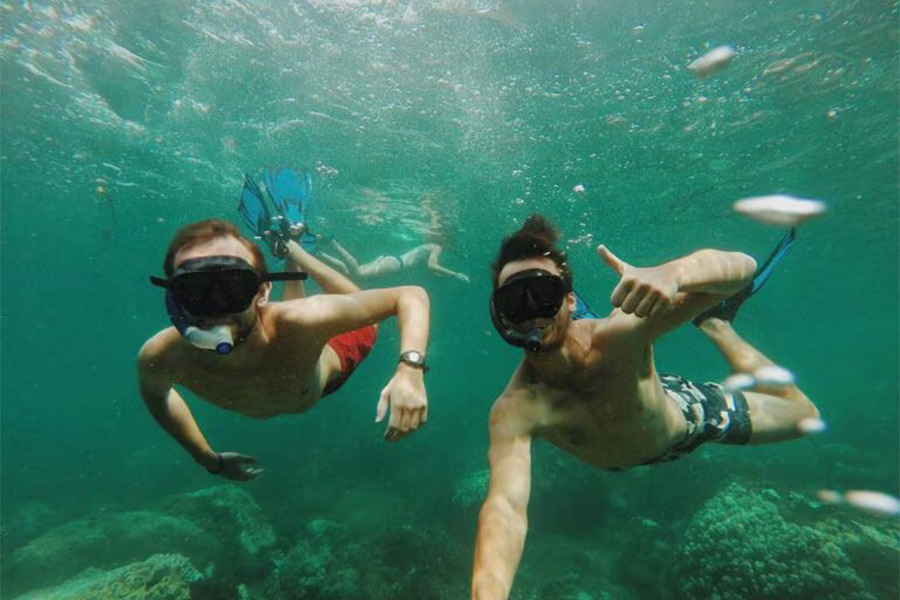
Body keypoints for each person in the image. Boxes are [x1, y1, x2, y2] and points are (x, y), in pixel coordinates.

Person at [471, 215, 819, 599]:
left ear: (570, 300)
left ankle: (716, 326)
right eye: (516, 300)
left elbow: (742, 269)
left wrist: (674, 274)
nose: (534, 311)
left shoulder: (620, 336)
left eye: (545, 293)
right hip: (628, 442)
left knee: (804, 417)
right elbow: (505, 508)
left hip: (685, 417)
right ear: (501, 315)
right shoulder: (514, 409)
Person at [138, 173, 432, 482]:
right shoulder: (162, 355)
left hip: (331, 359)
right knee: (299, 320)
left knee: (363, 315)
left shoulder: (302, 320)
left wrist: (410, 370)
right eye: (195, 290)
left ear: (262, 291)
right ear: (173, 298)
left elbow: (410, 295)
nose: (216, 308)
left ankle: (296, 251)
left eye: (233, 287)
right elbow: (158, 396)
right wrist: (208, 459)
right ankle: (291, 248)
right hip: (296, 345)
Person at [317, 238, 470, 283]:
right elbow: (432, 266)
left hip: (393, 262)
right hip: (396, 264)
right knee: (358, 275)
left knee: (349, 275)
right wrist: (455, 274)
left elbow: (432, 269)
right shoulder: (436, 247)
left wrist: (446, 275)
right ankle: (333, 243)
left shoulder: (432, 247)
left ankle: (318, 254)